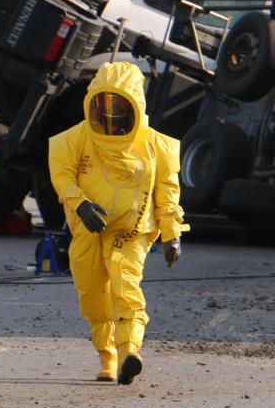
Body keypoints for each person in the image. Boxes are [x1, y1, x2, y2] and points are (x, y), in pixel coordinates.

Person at [48, 61, 187, 385]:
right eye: (103, 104)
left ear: (135, 106)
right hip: (88, 230)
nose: (110, 113)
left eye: (118, 105)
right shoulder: (72, 140)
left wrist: (172, 234)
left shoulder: (156, 145)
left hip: (132, 229)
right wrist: (80, 205)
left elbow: (167, 192)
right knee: (93, 294)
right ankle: (107, 356)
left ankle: (129, 352)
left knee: (125, 287)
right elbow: (62, 176)